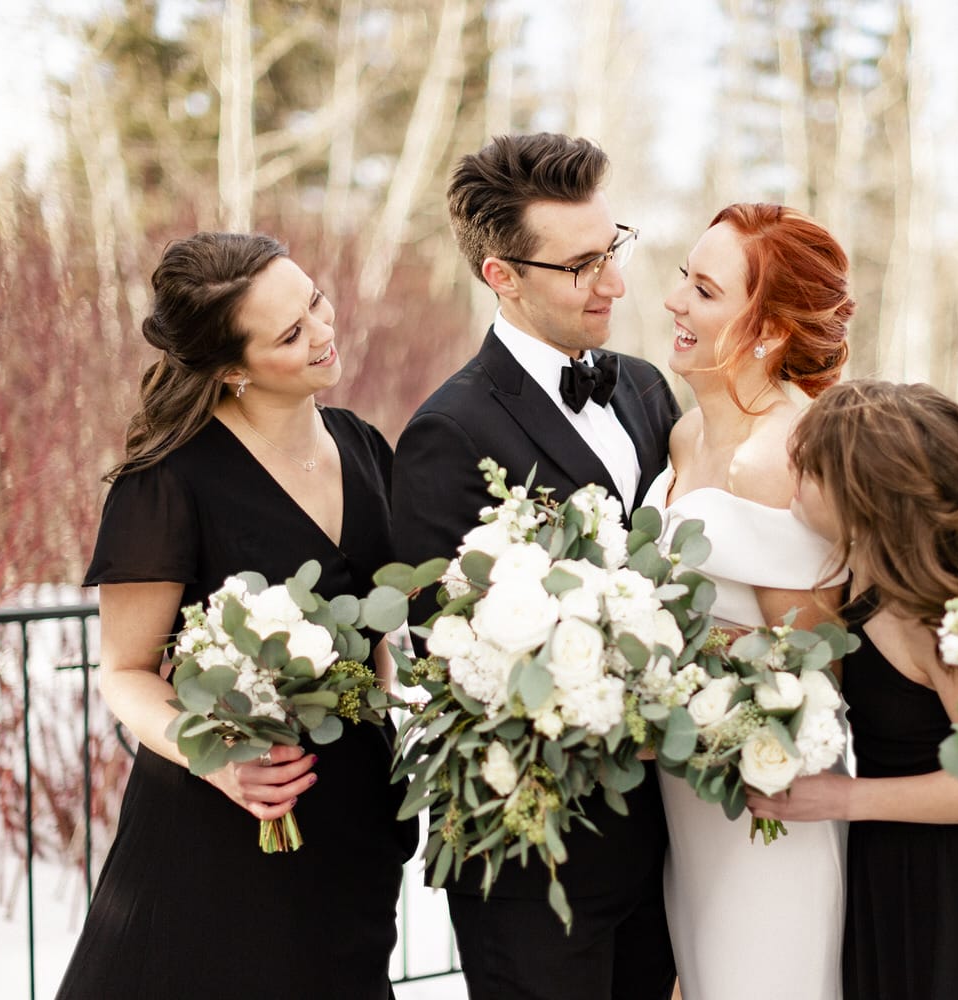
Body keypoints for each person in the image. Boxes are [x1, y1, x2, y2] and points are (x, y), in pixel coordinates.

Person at [56, 233, 417, 999]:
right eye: (290, 334)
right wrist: (221, 758)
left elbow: (377, 638)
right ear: (231, 369)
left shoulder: (363, 445)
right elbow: (123, 672)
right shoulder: (167, 481)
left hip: (353, 834)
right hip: (222, 842)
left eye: (313, 302)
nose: (323, 330)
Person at [389, 133, 679, 1000]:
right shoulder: (451, 432)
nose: (616, 283)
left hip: (659, 831)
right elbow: (452, 655)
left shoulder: (646, 388)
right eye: (582, 265)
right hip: (532, 848)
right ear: (502, 276)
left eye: (614, 248)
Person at [749, 379, 958, 999]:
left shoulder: (943, 612)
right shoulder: (864, 573)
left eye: (813, 468)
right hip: (892, 862)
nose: (794, 476)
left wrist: (840, 798)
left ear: (865, 492)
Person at [638, 203, 854, 1000]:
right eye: (683, 280)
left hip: (766, 803)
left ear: (766, 330)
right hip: (686, 803)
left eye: (703, 289)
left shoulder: (786, 456)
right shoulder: (688, 436)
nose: (675, 303)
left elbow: (816, 669)